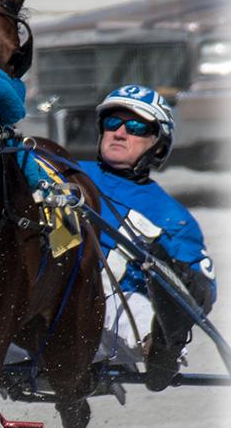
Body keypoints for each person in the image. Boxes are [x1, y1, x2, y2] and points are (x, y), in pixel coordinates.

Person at [78, 84, 216, 391]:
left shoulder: (171, 216)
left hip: (109, 314)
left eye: (136, 126)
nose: (120, 132)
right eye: (113, 122)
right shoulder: (67, 171)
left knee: (129, 304)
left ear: (157, 143)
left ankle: (161, 347)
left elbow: (204, 287)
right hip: (41, 295)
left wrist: (176, 273)